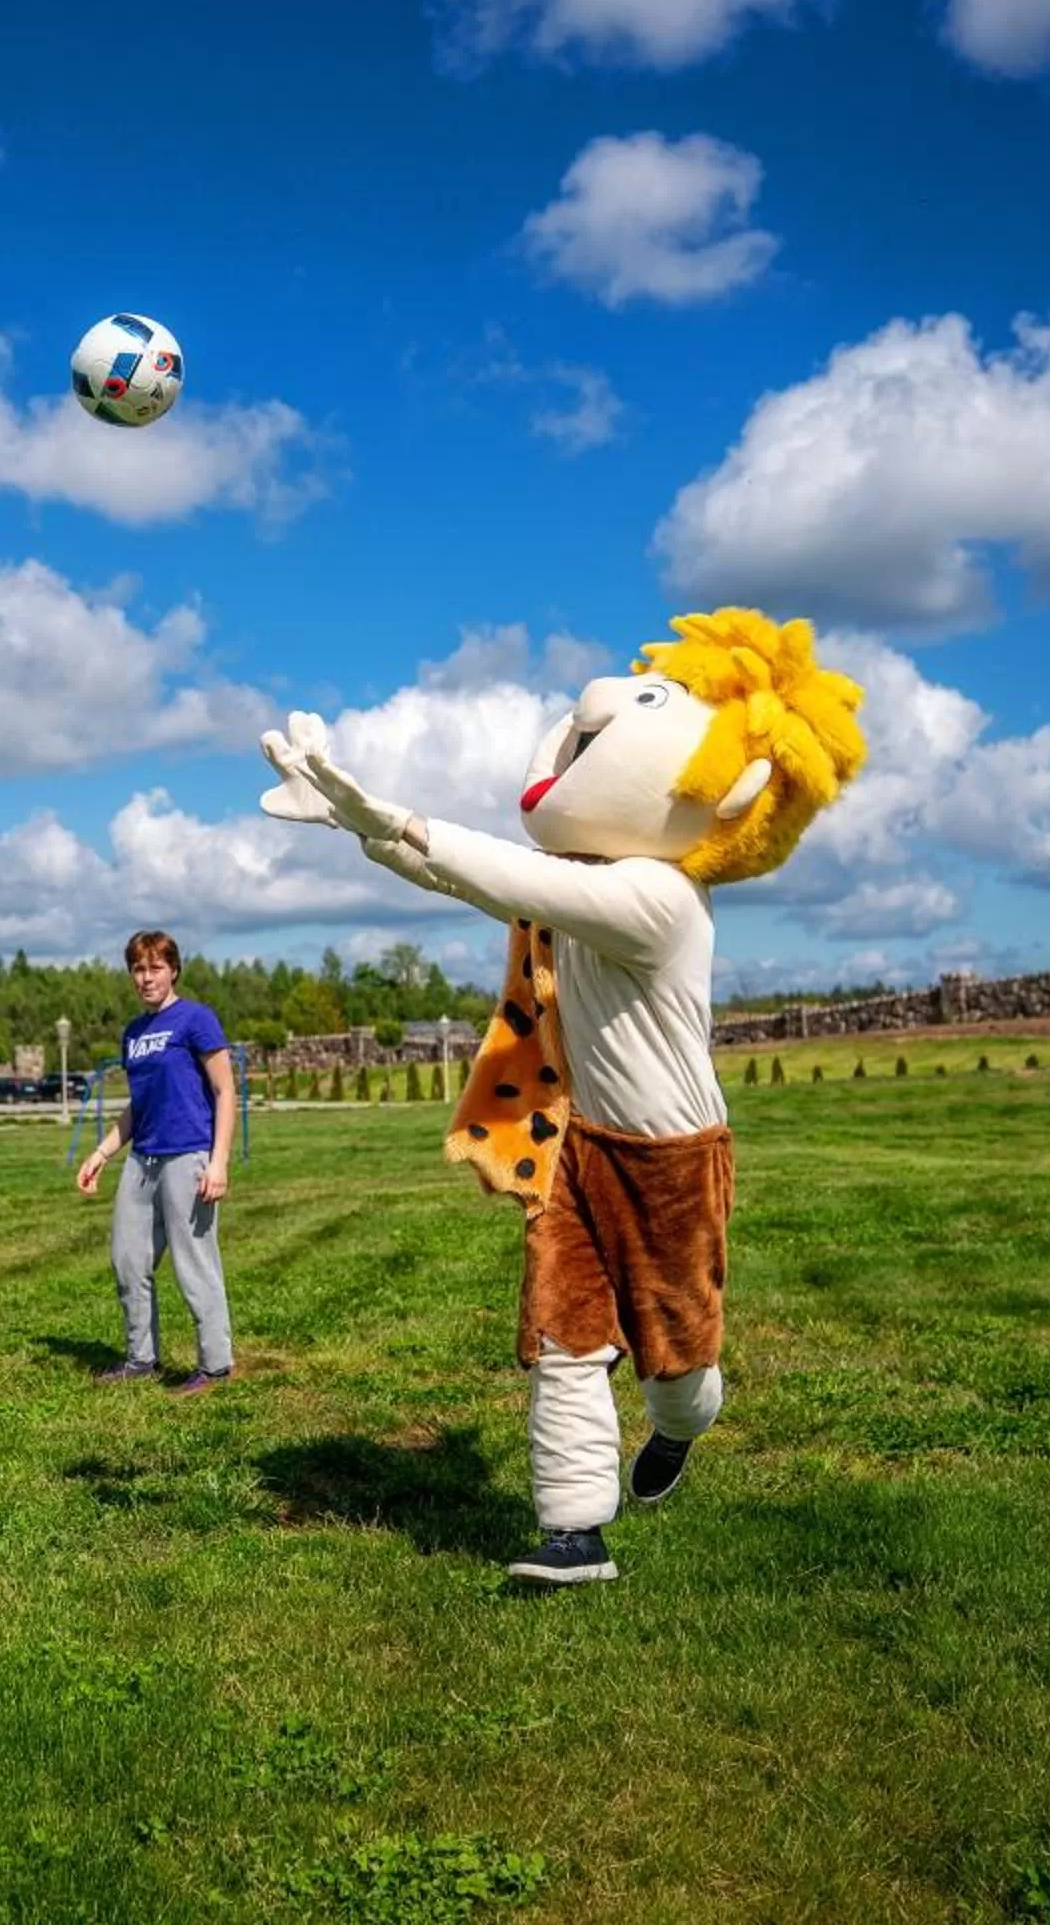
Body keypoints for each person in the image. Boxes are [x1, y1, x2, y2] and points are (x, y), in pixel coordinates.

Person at [261, 609, 865, 1587]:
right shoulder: (586, 880)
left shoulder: (658, 899)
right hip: (582, 1146)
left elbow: (504, 876)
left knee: (677, 1361)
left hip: (673, 1159)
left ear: (733, 793)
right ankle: (573, 1533)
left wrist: (395, 820)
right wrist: (356, 823)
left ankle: (679, 1428)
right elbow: (487, 882)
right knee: (565, 1334)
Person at [74, 930, 237, 1394]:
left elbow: (226, 1092)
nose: (146, 978)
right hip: (142, 1160)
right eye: (138, 969)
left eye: (155, 968)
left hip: (189, 1156)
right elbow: (138, 1105)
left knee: (194, 1263)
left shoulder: (196, 1020)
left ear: (174, 970)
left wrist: (219, 1161)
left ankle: (216, 1366)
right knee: (127, 1259)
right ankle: (140, 1358)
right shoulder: (133, 1033)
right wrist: (103, 1152)